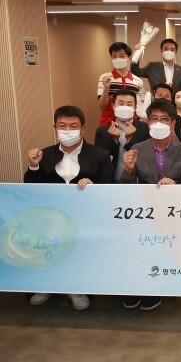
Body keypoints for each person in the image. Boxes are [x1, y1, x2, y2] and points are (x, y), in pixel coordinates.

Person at [25, 105, 114, 310]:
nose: (67, 130)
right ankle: (46, 285)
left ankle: (78, 288)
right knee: (47, 246)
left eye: (73, 126)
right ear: (55, 128)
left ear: (82, 129)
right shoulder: (44, 154)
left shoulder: (99, 155)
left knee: (79, 247)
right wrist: (34, 166)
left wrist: (93, 185)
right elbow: (31, 188)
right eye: (62, 126)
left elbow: (109, 187)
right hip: (50, 216)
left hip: (85, 216)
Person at [119, 100, 181, 311]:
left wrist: (174, 185)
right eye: (154, 119)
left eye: (164, 119)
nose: (159, 123)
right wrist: (128, 170)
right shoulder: (137, 148)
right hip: (144, 209)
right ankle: (136, 286)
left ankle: (156, 287)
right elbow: (127, 187)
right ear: (148, 122)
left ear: (172, 124)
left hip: (173, 211)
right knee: (138, 246)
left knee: (163, 248)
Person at [94, 89, 150, 181]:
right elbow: (100, 162)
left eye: (129, 104)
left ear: (135, 108)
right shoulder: (102, 131)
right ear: (113, 106)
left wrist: (130, 140)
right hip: (110, 182)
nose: (125, 107)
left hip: (137, 182)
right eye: (121, 104)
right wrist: (114, 141)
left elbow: (146, 159)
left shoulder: (145, 129)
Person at [97, 42, 144, 126]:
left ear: (129, 58)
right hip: (108, 124)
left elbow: (140, 107)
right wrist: (106, 89)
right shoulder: (104, 78)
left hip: (131, 125)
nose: (118, 59)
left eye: (122, 56)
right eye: (114, 56)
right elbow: (101, 106)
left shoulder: (138, 81)